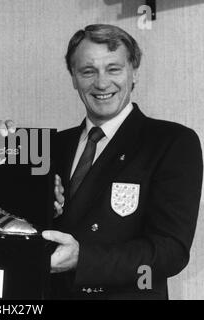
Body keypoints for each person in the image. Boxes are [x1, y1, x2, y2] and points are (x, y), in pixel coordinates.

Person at [41, 24, 203, 299]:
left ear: (134, 72)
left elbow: (170, 252)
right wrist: (6, 150)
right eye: (88, 71)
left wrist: (84, 259)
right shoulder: (51, 145)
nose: (102, 83)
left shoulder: (172, 142)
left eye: (113, 69)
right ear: (73, 77)